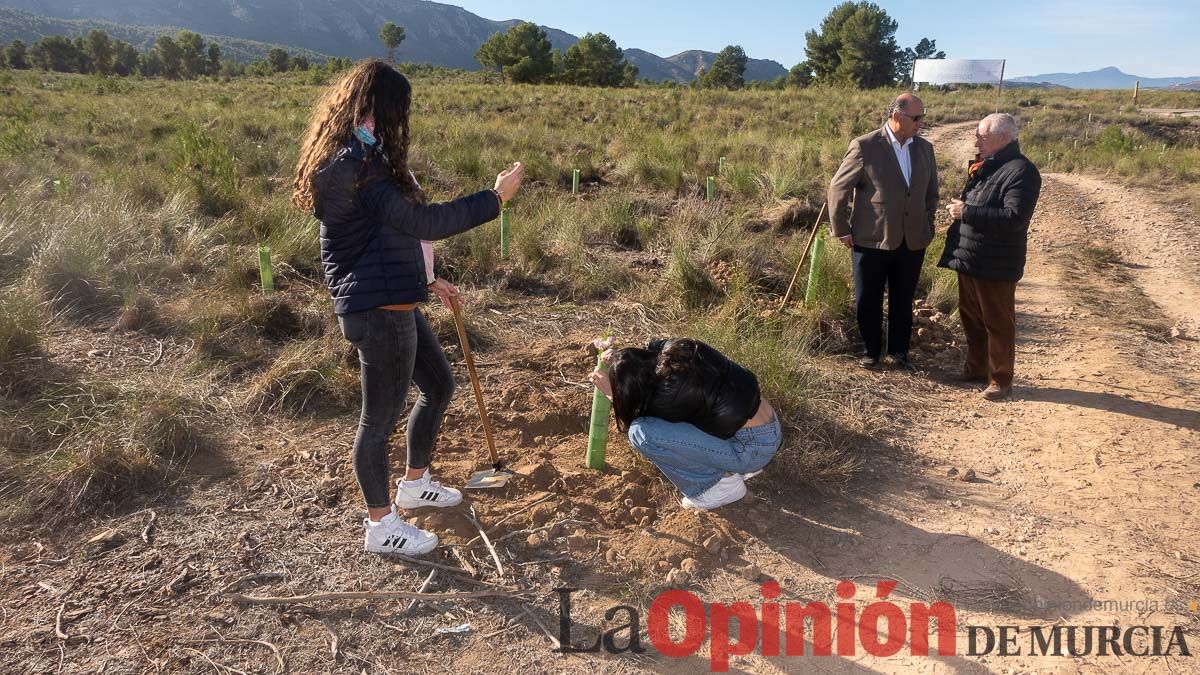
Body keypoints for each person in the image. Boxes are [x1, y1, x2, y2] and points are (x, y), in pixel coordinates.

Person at [292, 60, 524, 555]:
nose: (403, 120)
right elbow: (421, 222)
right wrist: (495, 198)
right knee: (377, 422)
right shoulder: (358, 164)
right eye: (400, 109)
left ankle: (415, 483)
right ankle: (381, 527)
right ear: (379, 105)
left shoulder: (356, 154)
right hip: (378, 309)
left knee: (439, 384)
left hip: (392, 297)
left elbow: (376, 234)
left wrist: (426, 278)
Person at [589, 338, 781, 510]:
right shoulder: (680, 350)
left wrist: (611, 394)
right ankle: (733, 467)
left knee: (641, 432)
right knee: (703, 411)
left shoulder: (666, 399)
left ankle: (719, 487)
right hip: (769, 427)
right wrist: (619, 358)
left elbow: (638, 420)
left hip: (751, 449)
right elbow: (651, 346)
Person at [828, 93, 939, 371]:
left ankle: (899, 352)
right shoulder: (865, 146)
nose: (921, 123)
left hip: (912, 239)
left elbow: (931, 194)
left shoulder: (924, 149)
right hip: (871, 238)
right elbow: (838, 189)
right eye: (916, 118)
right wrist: (841, 229)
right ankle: (870, 351)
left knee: (903, 298)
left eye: (922, 117)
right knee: (868, 297)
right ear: (896, 116)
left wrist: (928, 223)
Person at [938, 113, 1042, 401]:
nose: (976, 140)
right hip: (971, 256)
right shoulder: (989, 166)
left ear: (1004, 138)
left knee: (997, 322)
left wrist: (967, 212)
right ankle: (976, 369)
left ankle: (1001, 379)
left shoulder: (1022, 171)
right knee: (971, 317)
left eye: (982, 136)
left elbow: (1014, 217)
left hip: (996, 263)